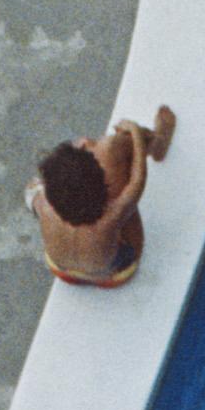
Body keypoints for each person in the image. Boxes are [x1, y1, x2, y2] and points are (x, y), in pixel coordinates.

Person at [29, 105, 179, 289]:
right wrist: (134, 132)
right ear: (100, 186)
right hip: (113, 275)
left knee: (59, 175)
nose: (83, 141)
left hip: (61, 270)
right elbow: (137, 178)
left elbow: (30, 193)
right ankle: (157, 143)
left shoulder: (43, 204)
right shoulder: (112, 215)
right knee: (115, 148)